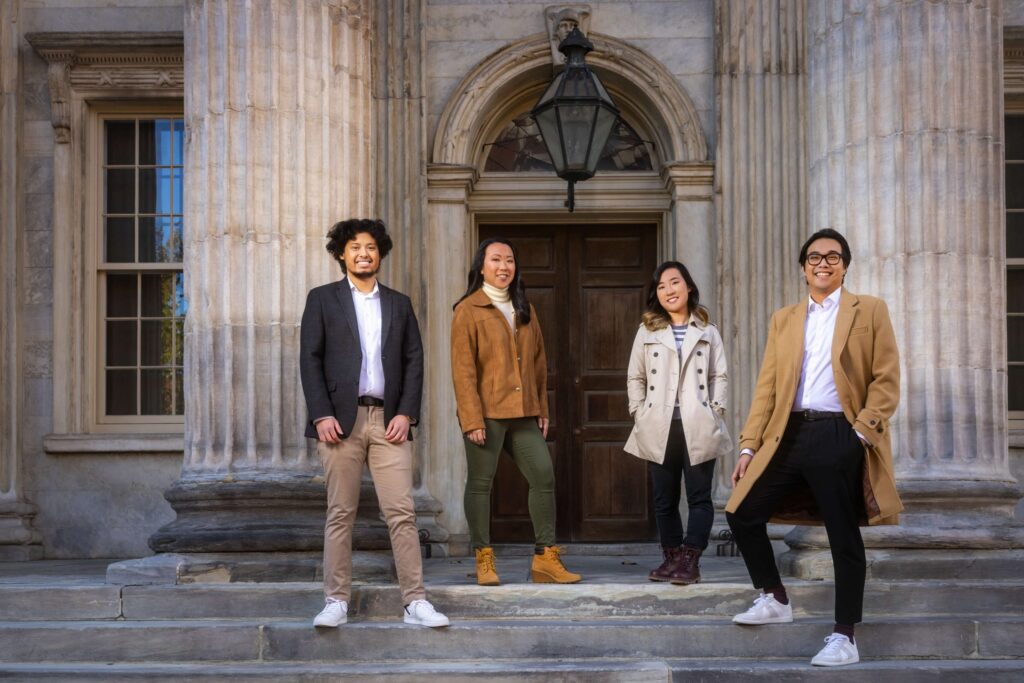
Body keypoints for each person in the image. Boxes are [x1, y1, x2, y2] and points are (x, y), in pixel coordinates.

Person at [725, 228, 902, 667]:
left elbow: (886, 377)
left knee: (843, 536)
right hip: (788, 434)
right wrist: (749, 445)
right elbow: (767, 388)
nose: (823, 263)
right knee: (742, 512)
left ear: (844, 265)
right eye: (815, 257)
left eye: (833, 257)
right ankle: (775, 597)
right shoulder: (784, 318)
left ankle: (845, 636)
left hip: (839, 433)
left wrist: (861, 432)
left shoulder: (870, 310)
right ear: (803, 266)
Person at [300, 218, 449, 629]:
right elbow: (309, 359)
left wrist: (406, 413)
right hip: (339, 423)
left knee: (401, 512)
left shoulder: (399, 303)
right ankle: (336, 600)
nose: (363, 253)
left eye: (370, 246)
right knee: (340, 512)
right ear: (341, 254)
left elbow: (413, 361)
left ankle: (415, 602)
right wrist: (321, 412)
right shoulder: (322, 300)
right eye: (354, 247)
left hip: (389, 421)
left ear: (380, 252)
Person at [450, 237, 581, 586]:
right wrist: (471, 418)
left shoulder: (525, 308)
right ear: (482, 266)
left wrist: (541, 406)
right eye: (496, 259)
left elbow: (539, 362)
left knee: (543, 475)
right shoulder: (468, 309)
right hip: (487, 413)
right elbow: (463, 371)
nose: (503, 266)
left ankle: (545, 559)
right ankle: (483, 558)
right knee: (481, 484)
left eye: (509, 260)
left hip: (523, 412)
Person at [624, 261, 732, 585]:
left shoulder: (707, 330)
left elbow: (719, 374)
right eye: (661, 286)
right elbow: (636, 375)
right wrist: (638, 412)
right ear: (656, 294)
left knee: (699, 497)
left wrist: (715, 410)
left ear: (688, 287)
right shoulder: (647, 330)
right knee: (664, 498)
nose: (668, 290)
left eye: (674, 283)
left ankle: (691, 560)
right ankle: (672, 558)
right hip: (659, 423)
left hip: (697, 422)